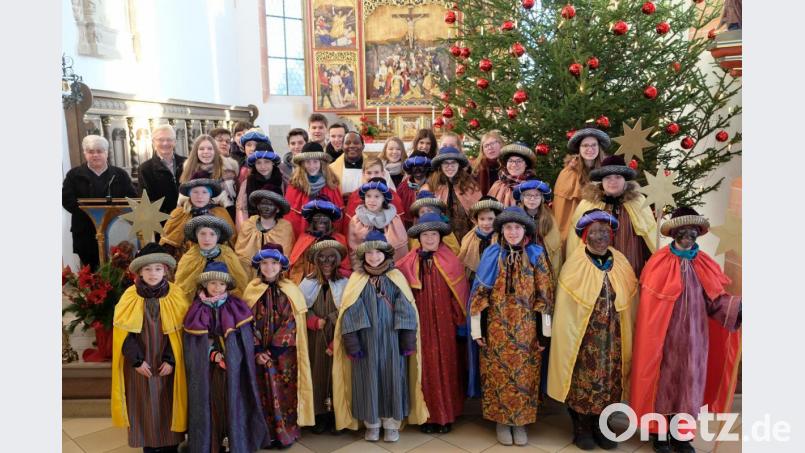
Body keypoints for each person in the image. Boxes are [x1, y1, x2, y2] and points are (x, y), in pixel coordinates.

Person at [630, 207, 742, 453]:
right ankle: (659, 433)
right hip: (664, 339)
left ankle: (681, 436)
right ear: (674, 233)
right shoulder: (658, 262)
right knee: (663, 384)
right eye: (684, 231)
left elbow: (715, 301)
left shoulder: (705, 263)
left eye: (693, 231)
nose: (689, 235)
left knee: (689, 386)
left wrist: (738, 307)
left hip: (695, 340)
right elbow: (650, 308)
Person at [547, 209, 638, 451]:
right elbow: (566, 310)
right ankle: (582, 426)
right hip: (584, 338)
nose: (601, 237)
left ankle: (602, 424)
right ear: (585, 235)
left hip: (614, 337)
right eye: (595, 232)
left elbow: (631, 301)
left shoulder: (621, 262)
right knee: (583, 380)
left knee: (610, 379)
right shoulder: (574, 265)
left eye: (605, 232)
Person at [468, 207, 554, 446]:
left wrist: (543, 333)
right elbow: (479, 294)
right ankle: (502, 422)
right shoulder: (492, 254)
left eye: (517, 227)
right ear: (502, 230)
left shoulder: (536, 254)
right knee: (498, 375)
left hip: (528, 331)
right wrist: (478, 329)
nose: (513, 232)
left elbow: (545, 296)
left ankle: (520, 422)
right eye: (508, 227)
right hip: (496, 329)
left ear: (525, 230)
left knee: (525, 377)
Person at [332, 231, 428, 441]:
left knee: (393, 379)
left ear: (386, 254)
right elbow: (351, 310)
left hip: (392, 341)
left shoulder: (396, 277)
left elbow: (405, 308)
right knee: (368, 381)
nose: (374, 257)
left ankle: (391, 424)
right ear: (363, 255)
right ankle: (372, 423)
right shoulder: (357, 279)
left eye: (378, 252)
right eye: (369, 253)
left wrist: (407, 340)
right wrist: (353, 343)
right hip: (365, 343)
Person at [111, 243, 190, 453]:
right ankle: (148, 446)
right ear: (139, 272)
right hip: (141, 364)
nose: (153, 273)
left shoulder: (176, 295)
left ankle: (171, 446)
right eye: (147, 269)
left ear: (165, 270)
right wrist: (136, 361)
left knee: (168, 403)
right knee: (142, 405)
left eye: (157, 268)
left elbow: (181, 333)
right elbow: (124, 335)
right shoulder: (130, 296)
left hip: (167, 364)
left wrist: (171, 359)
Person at [183, 262, 268, 453]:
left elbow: (247, 335)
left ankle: (236, 440)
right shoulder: (196, 309)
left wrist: (237, 355)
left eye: (221, 284)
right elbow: (195, 342)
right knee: (213, 401)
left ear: (227, 286)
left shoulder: (236, 305)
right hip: (210, 368)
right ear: (205, 284)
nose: (217, 287)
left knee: (235, 399)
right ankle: (213, 442)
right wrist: (213, 354)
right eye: (212, 283)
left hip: (235, 364)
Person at [397, 214, 469, 434]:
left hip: (445, 323)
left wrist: (459, 321)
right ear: (418, 238)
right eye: (425, 235)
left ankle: (446, 415)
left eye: (434, 234)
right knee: (424, 366)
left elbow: (459, 294)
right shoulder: (408, 262)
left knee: (446, 364)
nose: (429, 238)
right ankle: (426, 416)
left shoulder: (451, 260)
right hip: (420, 322)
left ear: (440, 236)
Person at [241, 244, 315, 449]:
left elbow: (291, 321)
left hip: (283, 354)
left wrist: (273, 350)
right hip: (258, 354)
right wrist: (257, 350)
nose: (269, 267)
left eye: (274, 263)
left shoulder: (290, 289)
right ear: (259, 265)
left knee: (284, 392)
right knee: (261, 391)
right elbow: (246, 321)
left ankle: (285, 432)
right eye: (264, 263)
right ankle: (264, 434)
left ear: (281, 266)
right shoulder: (251, 289)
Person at [567, 155, 656, 277]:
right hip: (596, 274)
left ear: (625, 179)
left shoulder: (638, 202)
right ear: (602, 180)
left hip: (632, 270)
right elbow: (576, 242)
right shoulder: (588, 204)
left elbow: (650, 239)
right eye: (607, 177)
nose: (612, 181)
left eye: (618, 177)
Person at [62, 134, 137, 270]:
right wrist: (91, 214)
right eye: (91, 151)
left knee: (117, 270)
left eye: (99, 151)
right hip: (85, 232)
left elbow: (132, 199)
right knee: (91, 273)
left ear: (106, 153)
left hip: (116, 230)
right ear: (85, 153)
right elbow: (67, 200)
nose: (95, 155)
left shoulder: (120, 174)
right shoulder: (74, 175)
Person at [298, 240, 349, 434]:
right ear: (316, 260)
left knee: (339, 375)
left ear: (337, 260)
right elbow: (301, 309)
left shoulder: (345, 282)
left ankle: (338, 415)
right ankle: (319, 415)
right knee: (317, 372)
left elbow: (350, 308)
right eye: (322, 258)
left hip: (338, 334)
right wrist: (313, 321)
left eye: (331, 258)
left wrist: (333, 318)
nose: (326, 262)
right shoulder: (307, 282)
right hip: (316, 337)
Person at [159, 174, 236, 258]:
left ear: (210, 195)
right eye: (195, 192)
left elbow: (232, 239)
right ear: (189, 194)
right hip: (186, 259)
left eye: (204, 192)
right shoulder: (179, 213)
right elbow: (168, 244)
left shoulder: (220, 212)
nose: (200, 196)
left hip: (216, 258)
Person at [175, 215, 249, 301]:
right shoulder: (190, 256)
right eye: (202, 234)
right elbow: (182, 285)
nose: (207, 239)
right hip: (197, 303)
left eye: (212, 234)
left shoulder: (228, 255)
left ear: (218, 237)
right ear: (196, 235)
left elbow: (239, 282)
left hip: (224, 302)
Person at [553, 128, 608, 243]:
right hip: (574, 230)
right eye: (585, 145)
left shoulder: (607, 171)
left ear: (599, 147)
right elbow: (563, 212)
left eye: (594, 145)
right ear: (579, 148)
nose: (590, 149)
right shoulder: (568, 174)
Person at [421, 146, 482, 241]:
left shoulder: (470, 186)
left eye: (453, 162)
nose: (450, 166)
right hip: (441, 238)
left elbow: (479, 214)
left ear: (458, 165)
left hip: (467, 236)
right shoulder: (431, 187)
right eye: (445, 163)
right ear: (440, 165)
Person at [285, 142, 345, 238]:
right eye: (307, 162)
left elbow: (338, 217)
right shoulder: (295, 184)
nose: (311, 166)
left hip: (326, 234)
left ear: (322, 163)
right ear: (302, 164)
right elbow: (291, 217)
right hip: (302, 234)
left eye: (315, 162)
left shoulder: (331, 184)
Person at [234, 189, 295, 278]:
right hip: (247, 276)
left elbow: (286, 255)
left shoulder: (285, 228)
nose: (265, 207)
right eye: (262, 203)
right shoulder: (248, 224)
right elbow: (241, 254)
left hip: (275, 277)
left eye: (270, 204)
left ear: (278, 209)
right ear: (258, 206)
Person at [347, 178, 408, 265]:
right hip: (364, 266)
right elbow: (353, 249)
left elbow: (401, 250)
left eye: (377, 196)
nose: (372, 200)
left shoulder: (394, 220)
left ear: (383, 198)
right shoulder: (356, 220)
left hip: (390, 266)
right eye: (368, 196)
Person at [288, 199, 352, 283]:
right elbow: (297, 265)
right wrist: (297, 284)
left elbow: (345, 265)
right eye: (317, 217)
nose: (321, 221)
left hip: (333, 280)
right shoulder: (304, 238)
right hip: (309, 279)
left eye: (325, 217)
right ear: (312, 221)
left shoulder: (339, 239)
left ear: (330, 221)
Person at [513, 179, 564, 279]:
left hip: (544, 261)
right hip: (523, 260)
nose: (532, 199)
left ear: (542, 199)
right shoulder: (516, 217)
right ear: (522, 198)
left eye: (537, 196)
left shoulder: (549, 218)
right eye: (528, 195)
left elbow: (554, 244)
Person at [343, 156, 406, 234]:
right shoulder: (355, 196)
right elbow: (348, 228)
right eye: (369, 173)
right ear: (363, 174)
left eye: (376, 172)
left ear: (383, 173)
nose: (372, 176)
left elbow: (399, 228)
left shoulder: (393, 196)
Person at [138, 124, 187, 215]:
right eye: (160, 140)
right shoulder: (145, 169)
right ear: (153, 142)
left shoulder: (186, 163)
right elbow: (147, 201)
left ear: (175, 142)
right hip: (163, 218)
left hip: (187, 215)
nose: (165, 143)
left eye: (169, 139)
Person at [457, 196, 504, 281]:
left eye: (490, 219)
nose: (486, 223)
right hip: (474, 278)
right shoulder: (469, 238)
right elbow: (464, 263)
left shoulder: (502, 239)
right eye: (482, 219)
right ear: (476, 220)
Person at [235, 149, 283, 228]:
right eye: (258, 163)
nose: (263, 166)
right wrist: (245, 229)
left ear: (272, 162)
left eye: (267, 162)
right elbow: (242, 209)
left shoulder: (281, 181)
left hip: (277, 226)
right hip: (252, 226)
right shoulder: (248, 182)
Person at [487, 142, 537, 206]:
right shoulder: (497, 185)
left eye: (519, 161)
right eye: (510, 161)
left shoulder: (534, 186)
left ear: (526, 164)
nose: (514, 165)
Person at [396, 154, 432, 227]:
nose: (417, 169)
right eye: (414, 167)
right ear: (410, 170)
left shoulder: (434, 186)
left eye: (421, 166)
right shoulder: (402, 187)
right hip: (408, 225)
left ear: (426, 168)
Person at [472, 130, 504, 195]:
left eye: (493, 143)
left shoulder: (510, 164)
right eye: (486, 146)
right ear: (483, 150)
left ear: (501, 144)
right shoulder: (477, 168)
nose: (490, 147)